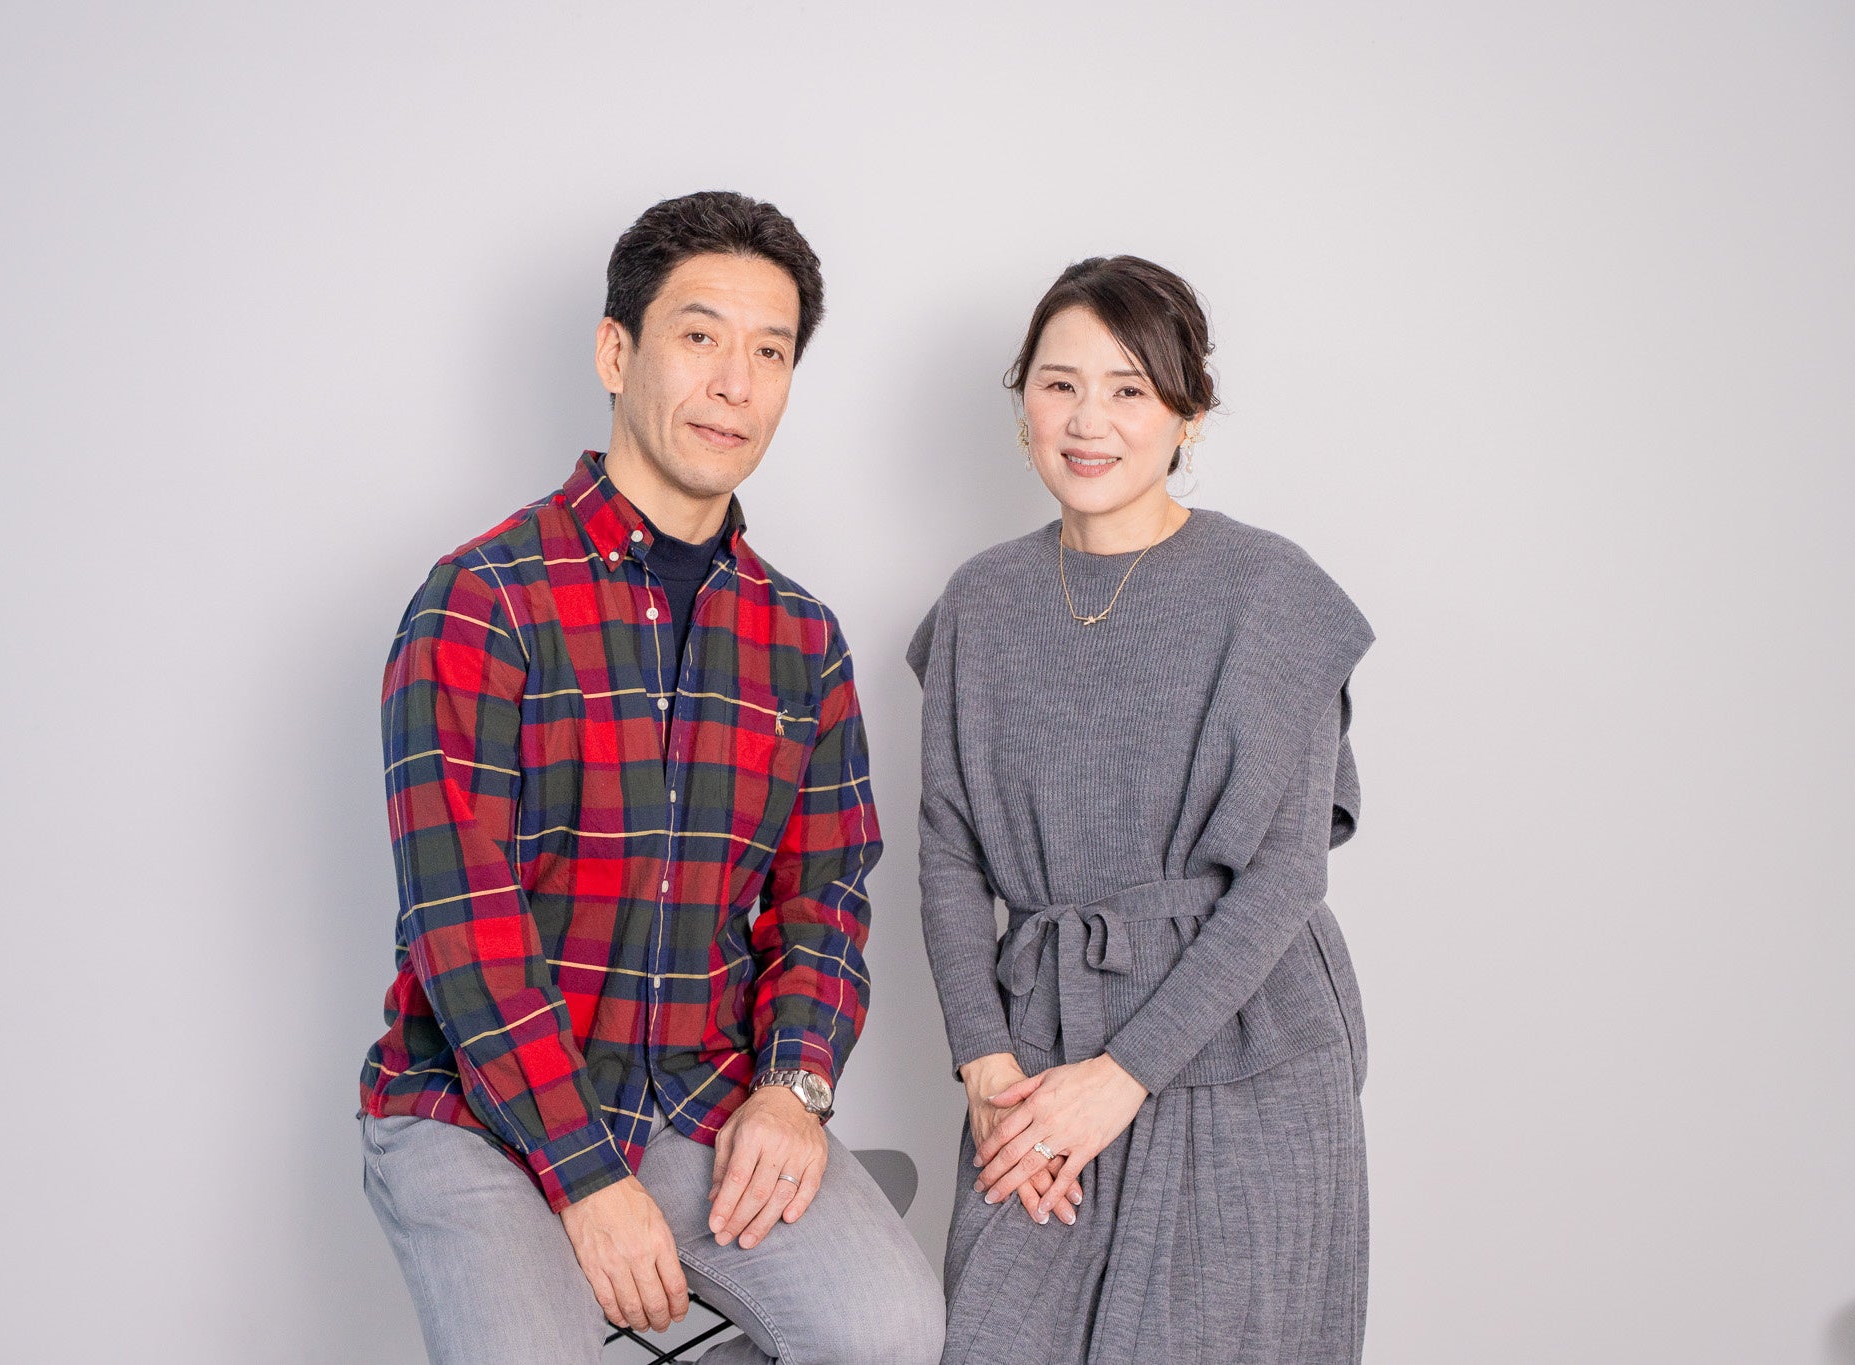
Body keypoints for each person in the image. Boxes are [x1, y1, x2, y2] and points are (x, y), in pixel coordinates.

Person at [360, 190, 944, 1365]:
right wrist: (584, 1178)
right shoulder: (483, 601)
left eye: (769, 352)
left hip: (697, 1098)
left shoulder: (802, 641)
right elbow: (461, 927)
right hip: (481, 1104)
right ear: (615, 353)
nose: (734, 383)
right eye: (699, 335)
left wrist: (794, 1088)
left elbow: (823, 905)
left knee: (891, 1338)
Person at [909, 255, 1375, 1363]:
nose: (1089, 421)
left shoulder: (1271, 594)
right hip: (1038, 1046)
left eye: (1128, 389)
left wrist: (1122, 1078)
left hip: (1244, 1047)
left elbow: (1284, 876)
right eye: (1059, 384)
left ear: (1186, 414)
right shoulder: (979, 602)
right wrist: (985, 1063)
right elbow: (946, 851)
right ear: (1022, 400)